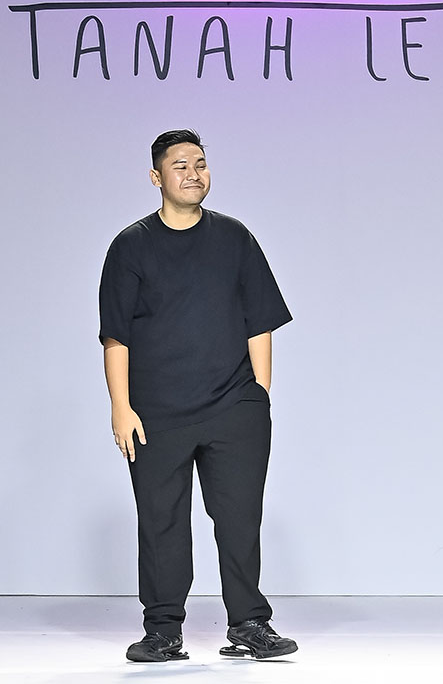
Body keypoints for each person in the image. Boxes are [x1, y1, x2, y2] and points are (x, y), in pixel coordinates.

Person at [99, 128, 297, 662]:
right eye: (181, 165)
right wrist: (121, 406)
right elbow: (116, 335)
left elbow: (260, 321)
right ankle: (163, 631)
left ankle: (250, 624)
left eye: (201, 163)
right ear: (156, 176)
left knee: (239, 519)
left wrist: (259, 396)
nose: (194, 173)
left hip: (234, 406)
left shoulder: (234, 238)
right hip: (156, 413)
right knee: (161, 522)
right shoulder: (131, 246)